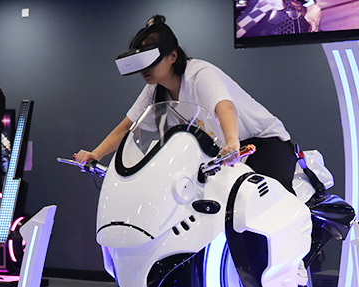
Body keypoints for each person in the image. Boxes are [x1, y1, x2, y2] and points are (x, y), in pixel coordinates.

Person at [74, 14, 298, 192]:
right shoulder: (154, 90)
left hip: (262, 143)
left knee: (269, 202)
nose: (145, 69)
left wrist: (232, 141)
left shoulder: (199, 74)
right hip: (224, 155)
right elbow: (128, 127)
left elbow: (224, 107)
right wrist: (97, 154)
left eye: (151, 61)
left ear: (173, 56)